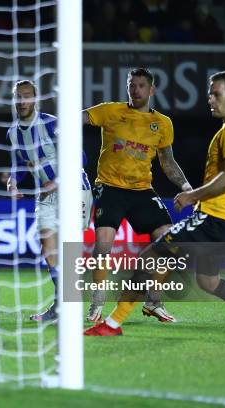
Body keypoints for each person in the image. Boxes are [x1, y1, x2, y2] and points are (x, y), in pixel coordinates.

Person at [84, 70, 225, 337]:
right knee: (209, 281)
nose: (210, 99)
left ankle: (112, 324)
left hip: (212, 219)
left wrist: (192, 195)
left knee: (149, 258)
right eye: (210, 93)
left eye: (216, 93)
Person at [83, 67, 192, 323]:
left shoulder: (163, 123)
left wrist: (187, 187)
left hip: (143, 191)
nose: (136, 90)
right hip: (110, 188)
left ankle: (154, 301)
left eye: (141, 85)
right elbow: (78, 119)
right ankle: (96, 303)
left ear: (151, 90)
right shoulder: (110, 111)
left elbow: (168, 162)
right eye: (132, 84)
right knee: (103, 246)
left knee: (170, 244)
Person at [6, 79, 94, 323]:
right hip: (45, 194)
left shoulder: (52, 123)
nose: (22, 101)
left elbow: (80, 157)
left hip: (75, 189)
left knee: (69, 251)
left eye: (27, 96)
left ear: (35, 100)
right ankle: (61, 307)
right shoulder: (13, 132)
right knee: (48, 249)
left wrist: (57, 182)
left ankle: (72, 303)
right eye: (18, 96)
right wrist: (12, 181)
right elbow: (20, 162)